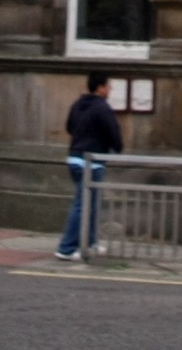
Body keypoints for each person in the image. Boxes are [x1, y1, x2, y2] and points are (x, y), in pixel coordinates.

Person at [55, 73, 122, 260]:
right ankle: (66, 248)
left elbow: (70, 127)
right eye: (108, 86)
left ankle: (91, 243)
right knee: (82, 205)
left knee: (90, 204)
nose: (110, 89)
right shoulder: (102, 108)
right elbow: (113, 133)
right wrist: (116, 147)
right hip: (91, 162)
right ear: (100, 88)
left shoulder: (78, 105)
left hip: (75, 157)